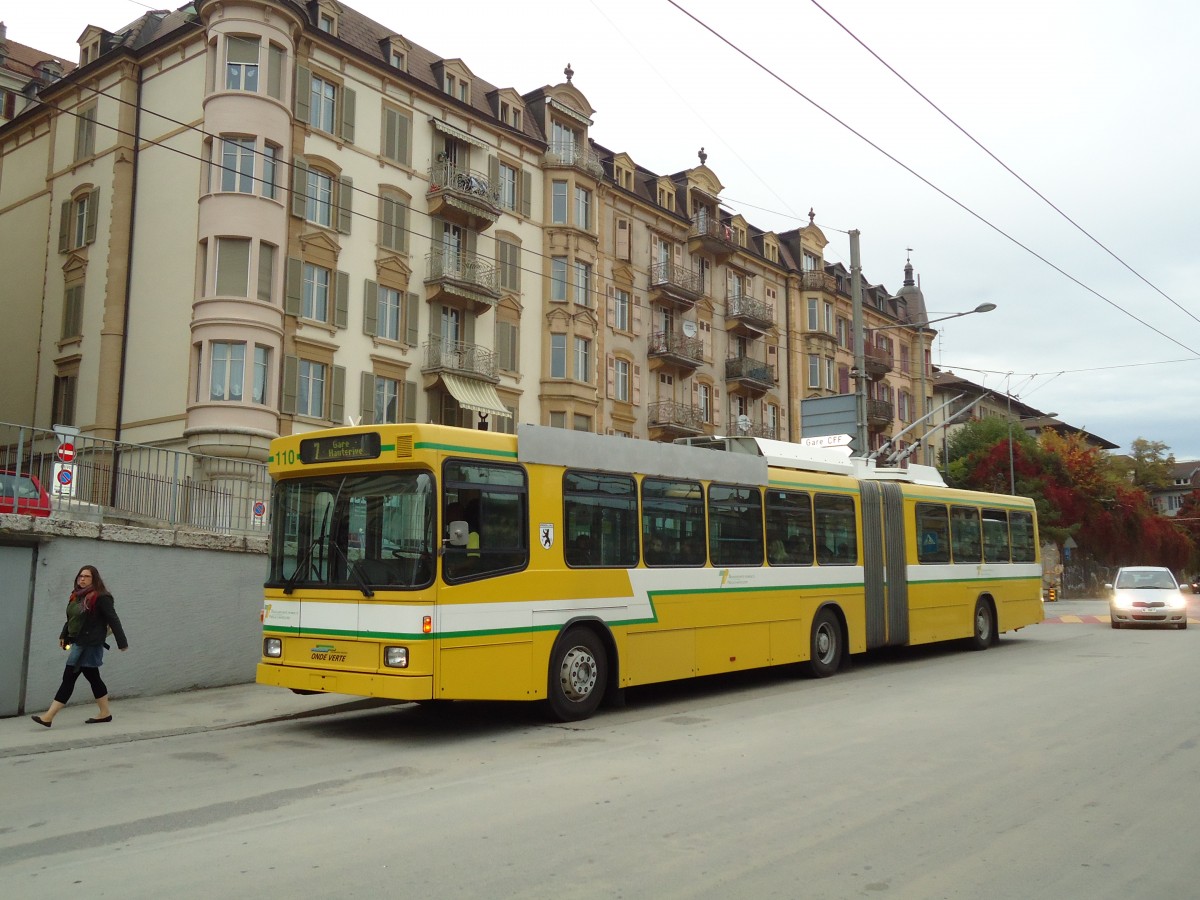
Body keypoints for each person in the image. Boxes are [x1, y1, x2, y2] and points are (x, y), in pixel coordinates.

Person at [31, 565, 129, 727]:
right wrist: (64, 635)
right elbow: (72, 619)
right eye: (80, 576)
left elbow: (113, 619)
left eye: (87, 576)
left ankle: (48, 716)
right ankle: (105, 713)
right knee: (93, 677)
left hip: (89, 644)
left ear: (94, 579)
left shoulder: (101, 597)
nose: (82, 579)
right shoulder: (77, 596)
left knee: (69, 677)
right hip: (79, 641)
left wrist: (122, 642)